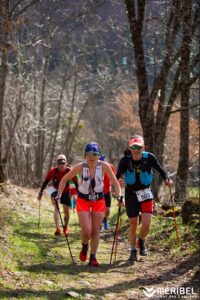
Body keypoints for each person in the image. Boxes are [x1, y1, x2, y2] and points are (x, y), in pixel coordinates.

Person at [57, 142, 122, 266]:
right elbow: (65, 179)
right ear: (85, 155)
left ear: (99, 155)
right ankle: (85, 246)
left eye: (95, 154)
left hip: (98, 201)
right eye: (89, 154)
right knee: (87, 231)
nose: (92, 157)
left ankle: (93, 257)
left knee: (96, 231)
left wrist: (119, 196)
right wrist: (59, 194)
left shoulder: (104, 166)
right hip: (83, 200)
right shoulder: (80, 167)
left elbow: (115, 183)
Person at [116, 135, 171, 263]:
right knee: (133, 224)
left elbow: (160, 169)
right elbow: (116, 176)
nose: (136, 150)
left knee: (146, 224)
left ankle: (141, 240)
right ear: (130, 148)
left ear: (143, 148)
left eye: (138, 147)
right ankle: (133, 250)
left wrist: (166, 179)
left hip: (146, 193)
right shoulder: (125, 160)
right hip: (131, 194)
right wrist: (118, 191)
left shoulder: (149, 157)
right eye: (133, 147)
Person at [37, 154, 78, 236]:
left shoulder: (70, 171)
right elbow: (46, 182)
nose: (61, 165)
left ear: (66, 164)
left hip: (66, 191)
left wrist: (79, 195)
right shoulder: (53, 171)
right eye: (59, 164)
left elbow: (76, 184)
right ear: (57, 164)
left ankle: (65, 227)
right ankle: (57, 228)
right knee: (56, 207)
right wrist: (40, 193)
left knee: (66, 211)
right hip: (55, 190)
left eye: (63, 163)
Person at [99, 155, 116, 231]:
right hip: (98, 192)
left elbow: (114, 178)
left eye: (103, 161)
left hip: (107, 191)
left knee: (107, 210)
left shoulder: (110, 166)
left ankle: (105, 220)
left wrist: (115, 188)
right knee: (99, 210)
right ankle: (99, 224)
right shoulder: (95, 167)